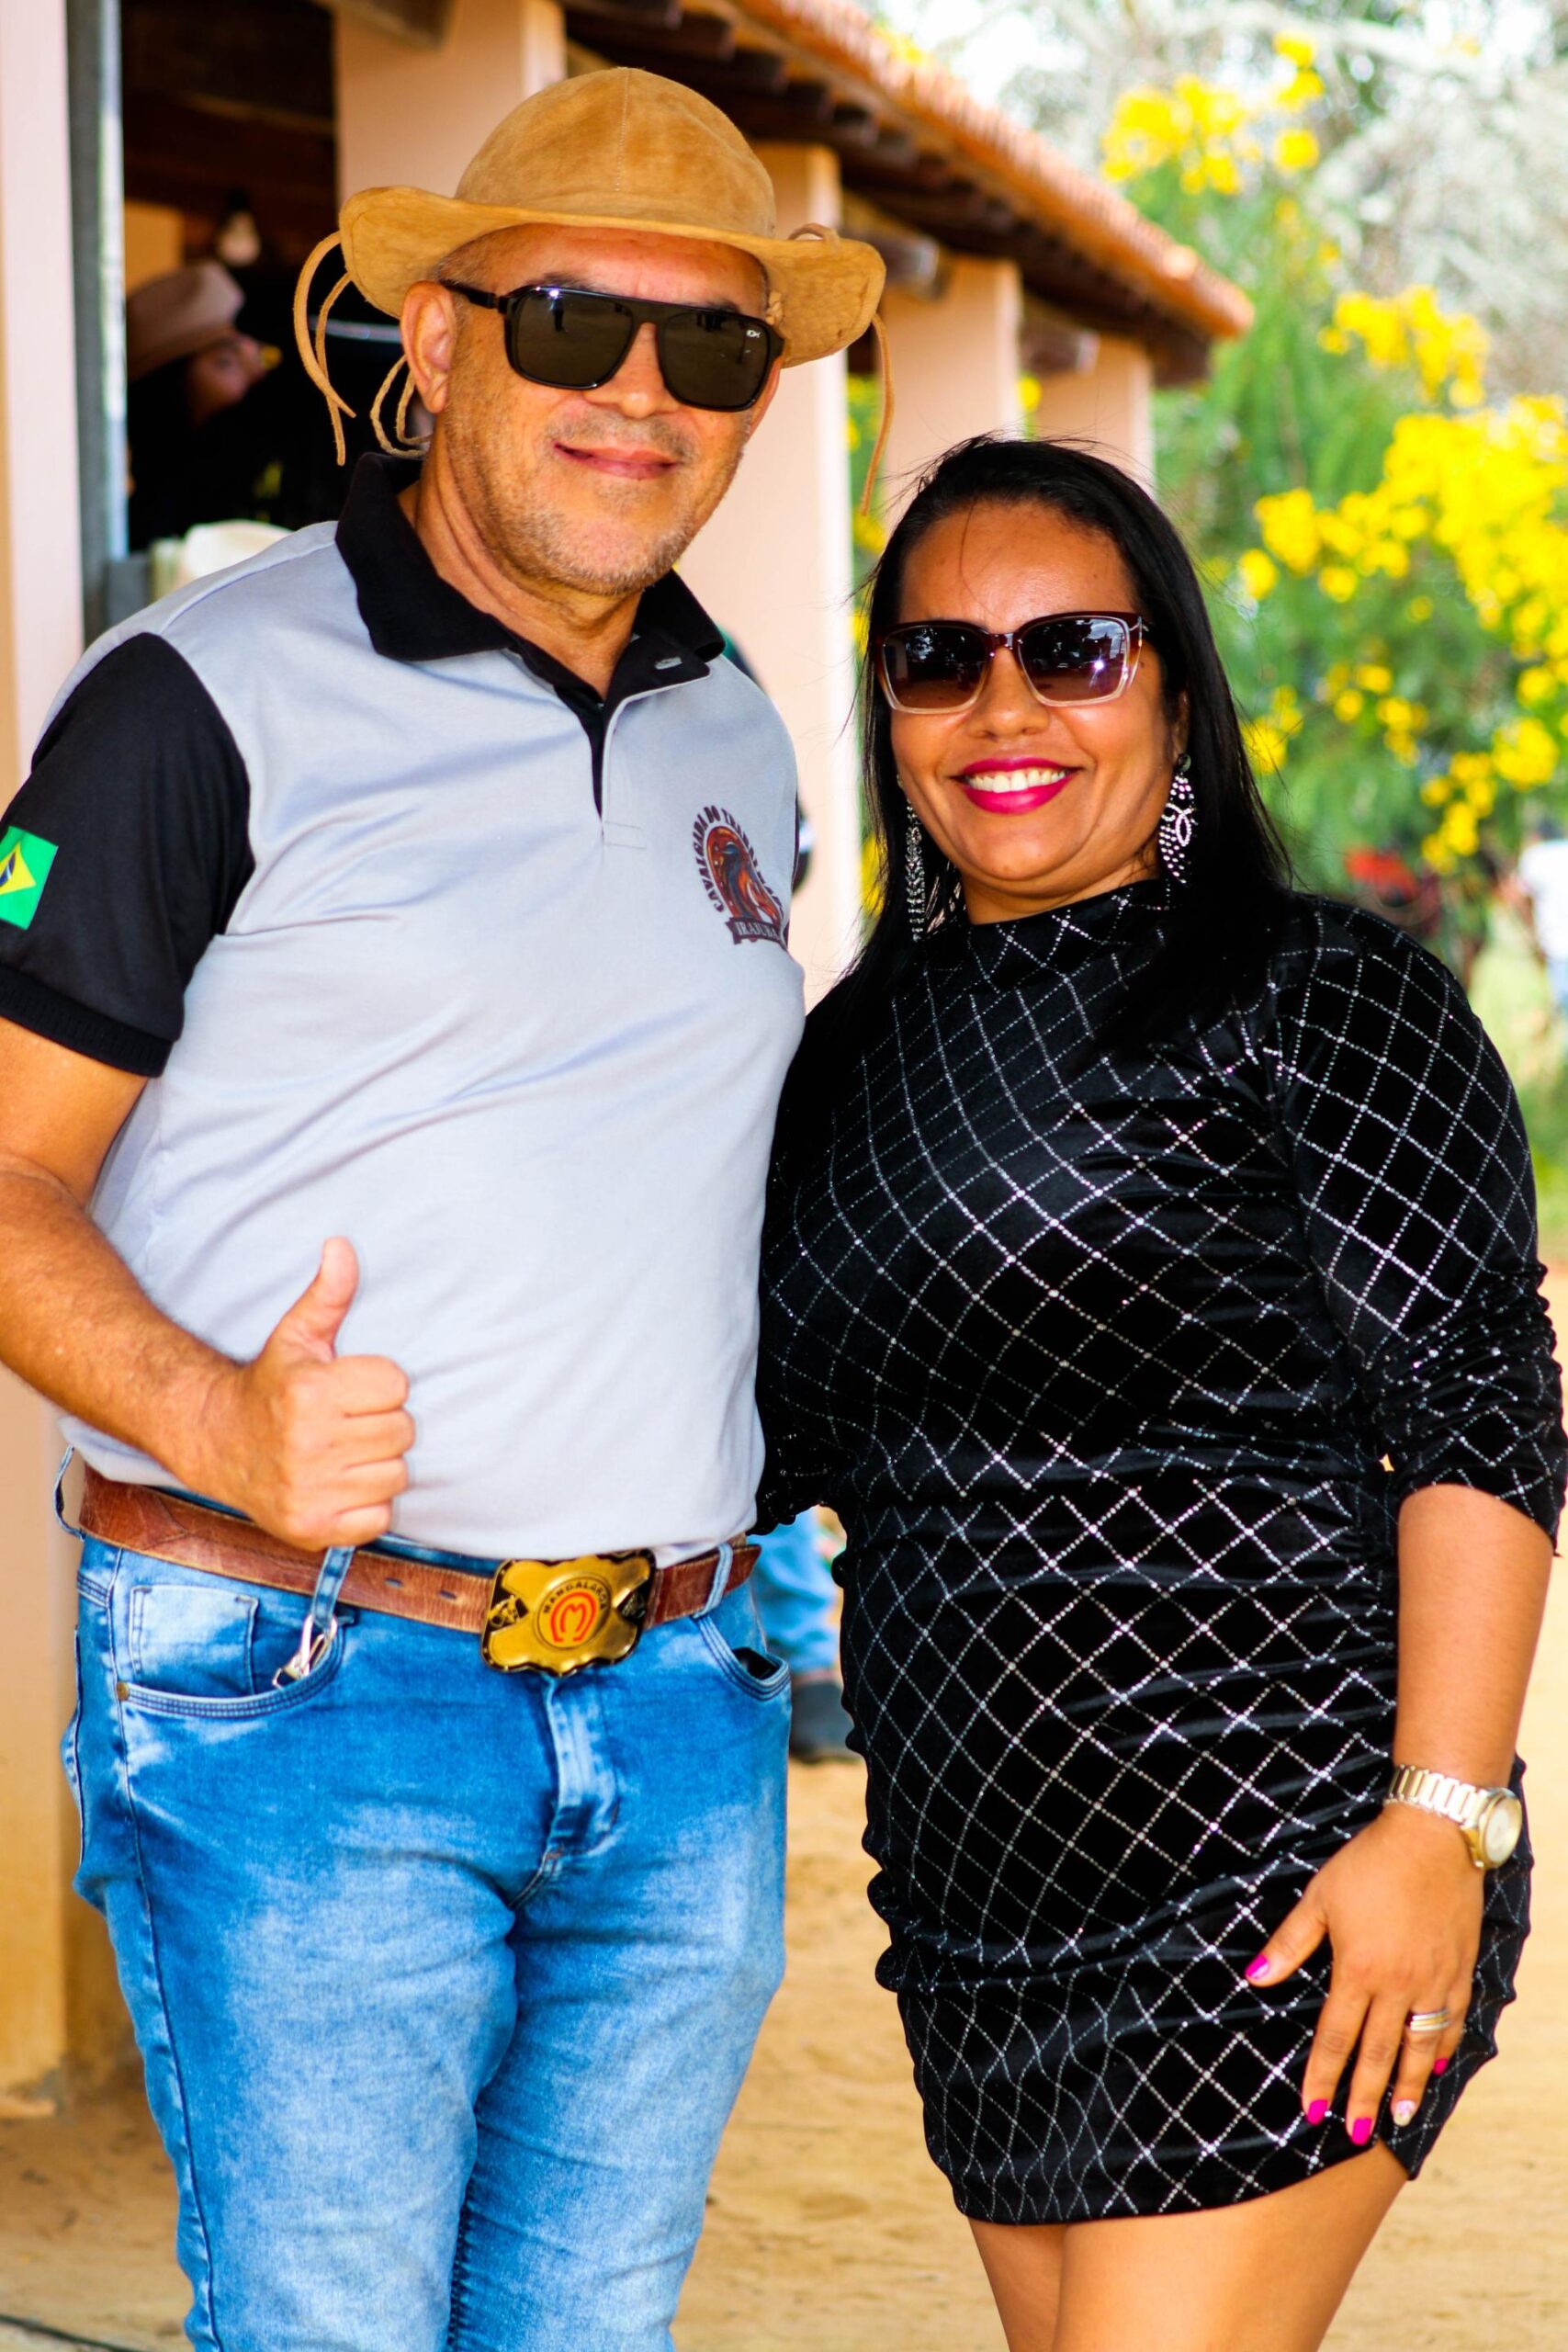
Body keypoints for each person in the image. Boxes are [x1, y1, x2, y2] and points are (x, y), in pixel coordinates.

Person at [0, 69, 881, 2352]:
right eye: (575, 321)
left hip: (680, 1696)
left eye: (711, 348)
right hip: (306, 1686)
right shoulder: (196, 699)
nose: (639, 393)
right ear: (441, 338)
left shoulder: (732, 724)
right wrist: (216, 1409)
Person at [758, 435, 1563, 2352]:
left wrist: (1435, 1821)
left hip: (1275, 1890)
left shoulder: (1316, 996)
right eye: (938, 658)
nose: (1003, 708)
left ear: (1174, 690)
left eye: (1073, 651)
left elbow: (1478, 1407)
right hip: (972, 1924)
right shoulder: (848, 1054)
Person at [125, 261, 273, 546]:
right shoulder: (150, 530)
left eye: (260, 358)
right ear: (166, 395)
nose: (257, 376)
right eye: (225, 362)